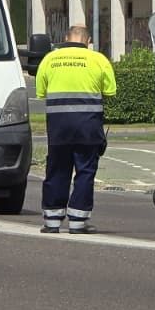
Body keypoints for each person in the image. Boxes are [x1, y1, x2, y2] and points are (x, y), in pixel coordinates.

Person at [35, 25, 117, 233]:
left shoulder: (49, 59)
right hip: (88, 126)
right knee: (85, 171)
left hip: (58, 127)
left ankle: (52, 221)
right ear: (88, 41)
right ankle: (78, 221)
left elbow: (41, 92)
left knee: (56, 170)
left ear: (65, 38)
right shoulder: (98, 59)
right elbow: (110, 91)